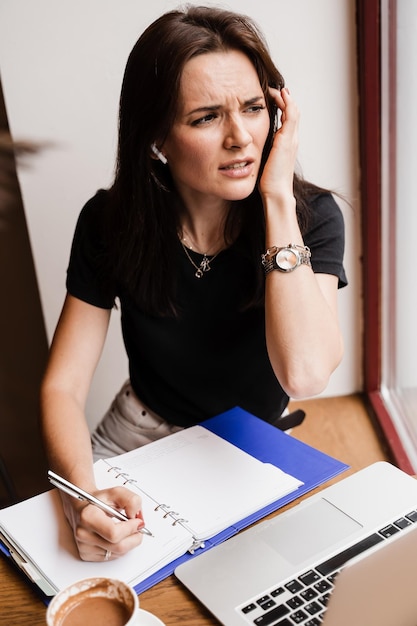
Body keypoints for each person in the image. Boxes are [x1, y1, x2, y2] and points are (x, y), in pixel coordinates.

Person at [40, 5, 347, 562]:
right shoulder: (111, 222)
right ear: (157, 137)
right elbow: (62, 387)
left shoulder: (312, 216)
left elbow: (304, 375)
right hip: (138, 433)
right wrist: (84, 495)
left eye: (254, 109)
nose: (240, 138)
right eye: (206, 117)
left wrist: (277, 197)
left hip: (252, 445)